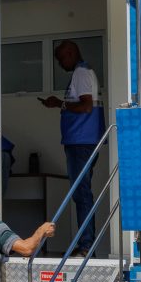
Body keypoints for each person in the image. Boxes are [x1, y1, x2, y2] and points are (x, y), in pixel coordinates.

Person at [39, 40, 105, 256]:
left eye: (60, 59)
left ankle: (86, 246)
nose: (59, 64)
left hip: (81, 142)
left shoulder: (82, 73)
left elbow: (86, 106)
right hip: (81, 141)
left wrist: (61, 104)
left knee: (82, 194)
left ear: (70, 53)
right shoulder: (82, 73)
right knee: (81, 193)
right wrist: (59, 104)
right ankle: (86, 245)